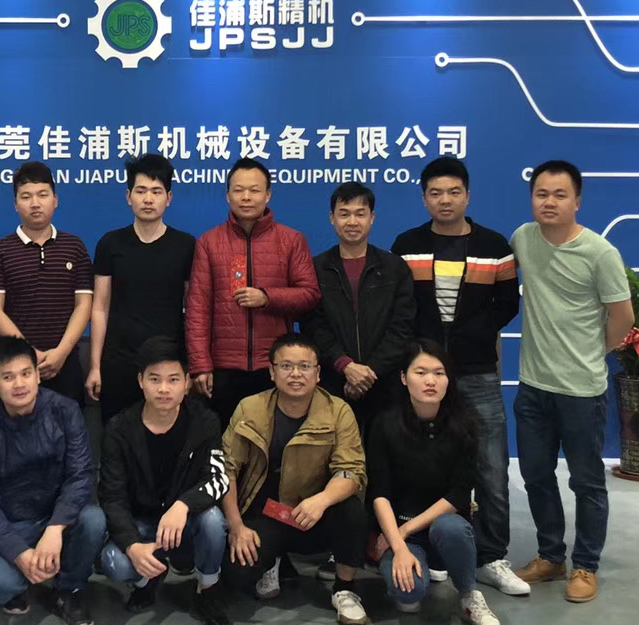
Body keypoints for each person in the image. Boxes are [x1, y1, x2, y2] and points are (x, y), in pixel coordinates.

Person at [391, 157, 528, 598]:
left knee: (492, 469)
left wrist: (473, 335)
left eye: (453, 192)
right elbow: (401, 304)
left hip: (477, 372)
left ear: (468, 195)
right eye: (435, 193)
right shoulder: (407, 245)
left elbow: (507, 304)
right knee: (420, 465)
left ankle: (491, 556)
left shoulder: (494, 246)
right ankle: (429, 549)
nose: (444, 200)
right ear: (424, 198)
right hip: (424, 374)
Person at [511, 160, 634, 604]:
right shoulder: (523, 239)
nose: (549, 202)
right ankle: (550, 557)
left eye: (559, 195)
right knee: (536, 475)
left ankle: (585, 565)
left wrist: (592, 354)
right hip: (533, 387)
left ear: (577, 201)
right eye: (541, 194)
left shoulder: (600, 253)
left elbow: (623, 318)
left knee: (586, 482)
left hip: (582, 392)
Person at [221, 333, 370, 625]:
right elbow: (227, 469)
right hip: (266, 513)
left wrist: (322, 500)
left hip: (315, 514)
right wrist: (236, 526)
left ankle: (345, 588)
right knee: (235, 574)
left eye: (304, 366)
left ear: (318, 373)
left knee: (353, 511)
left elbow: (352, 471)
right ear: (272, 371)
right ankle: (273, 560)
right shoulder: (249, 408)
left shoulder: (338, 411)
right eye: (286, 366)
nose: (296, 374)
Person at [0, 336, 107, 625]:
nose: (19, 384)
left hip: (58, 520)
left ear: (38, 376)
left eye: (26, 373)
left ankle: (68, 589)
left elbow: (81, 475)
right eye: (8, 377)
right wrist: (20, 553)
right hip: (12, 524)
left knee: (93, 519)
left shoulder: (65, 411)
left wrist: (55, 528)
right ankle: (21, 580)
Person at [97, 337, 233, 625]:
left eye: (173, 380)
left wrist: (183, 505)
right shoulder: (119, 429)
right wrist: (133, 545)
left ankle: (207, 591)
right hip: (142, 524)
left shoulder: (204, 421)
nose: (163, 389)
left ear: (187, 382)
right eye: (154, 379)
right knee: (115, 562)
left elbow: (218, 478)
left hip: (185, 523)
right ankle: (146, 581)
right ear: (140, 381)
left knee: (213, 520)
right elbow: (112, 497)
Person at [369, 341, 503, 625]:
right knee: (409, 594)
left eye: (439, 373)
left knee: (451, 528)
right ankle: (418, 570)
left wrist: (403, 532)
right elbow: (379, 492)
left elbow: (458, 494)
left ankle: (468, 594)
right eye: (420, 372)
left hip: (442, 528)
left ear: (448, 379)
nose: (430, 381)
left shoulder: (464, 423)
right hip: (401, 530)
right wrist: (399, 545)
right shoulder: (384, 424)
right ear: (403, 378)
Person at [187, 157, 321, 427]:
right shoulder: (209, 242)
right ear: (228, 195)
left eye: (254, 190)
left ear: (268, 194)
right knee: (225, 439)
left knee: (273, 439)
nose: (246, 197)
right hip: (224, 367)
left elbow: (310, 294)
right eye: (238, 190)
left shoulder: (291, 240)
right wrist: (200, 364)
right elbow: (198, 308)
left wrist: (267, 298)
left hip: (275, 365)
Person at [87, 155, 196, 425]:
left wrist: (192, 366)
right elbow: (100, 308)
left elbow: (194, 311)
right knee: (117, 436)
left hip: (168, 364)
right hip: (119, 362)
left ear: (169, 198)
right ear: (129, 197)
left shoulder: (186, 246)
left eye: (156, 192)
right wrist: (95, 366)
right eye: (141, 191)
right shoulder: (110, 244)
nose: (148, 199)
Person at [303, 181, 416, 436]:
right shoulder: (317, 268)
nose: (352, 222)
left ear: (372, 218)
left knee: (383, 456)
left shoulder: (394, 268)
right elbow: (313, 325)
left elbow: (402, 326)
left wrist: (369, 372)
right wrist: (345, 366)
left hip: (385, 384)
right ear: (332, 218)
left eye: (360, 214)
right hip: (334, 382)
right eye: (344, 214)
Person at [0, 162, 93, 405]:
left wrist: (61, 352)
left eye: (43, 195)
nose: (35, 203)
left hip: (66, 363)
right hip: (15, 369)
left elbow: (84, 305)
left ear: (55, 200)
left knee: (68, 426)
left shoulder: (75, 248)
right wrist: (28, 354)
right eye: (26, 196)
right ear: (15, 204)